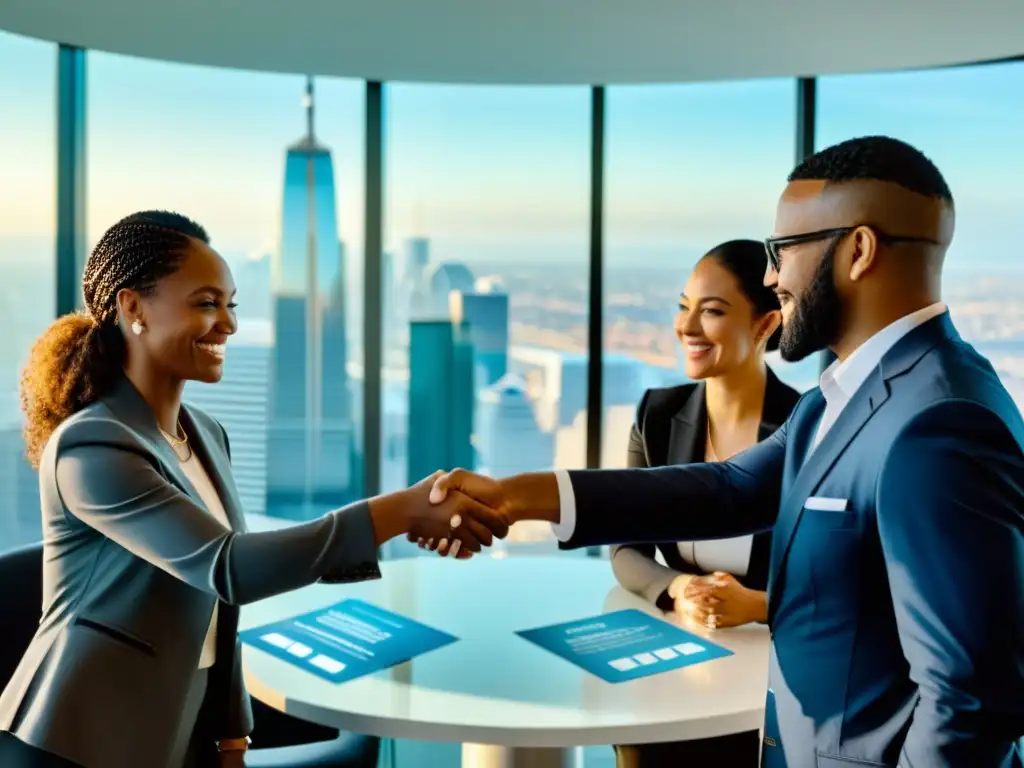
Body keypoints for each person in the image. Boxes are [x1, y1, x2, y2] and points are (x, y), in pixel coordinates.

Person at [426, 137, 1024, 768]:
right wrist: (517, 496)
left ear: (858, 250)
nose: (772, 276)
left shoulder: (941, 422)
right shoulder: (836, 399)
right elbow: (726, 489)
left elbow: (972, 700)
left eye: (782, 251)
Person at [0, 211, 505, 768]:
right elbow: (229, 567)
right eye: (206, 303)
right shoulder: (91, 447)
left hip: (178, 735)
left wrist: (231, 733)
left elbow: (218, 607)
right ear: (132, 308)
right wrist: (399, 512)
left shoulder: (206, 436)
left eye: (231, 305)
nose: (228, 325)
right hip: (79, 740)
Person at [610, 240, 799, 767]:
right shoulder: (658, 414)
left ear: (765, 325)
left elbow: (840, 575)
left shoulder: (806, 425)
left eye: (712, 311)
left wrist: (756, 604)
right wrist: (677, 588)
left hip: (767, 673)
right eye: (682, 306)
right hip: (672, 666)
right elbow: (626, 545)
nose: (687, 327)